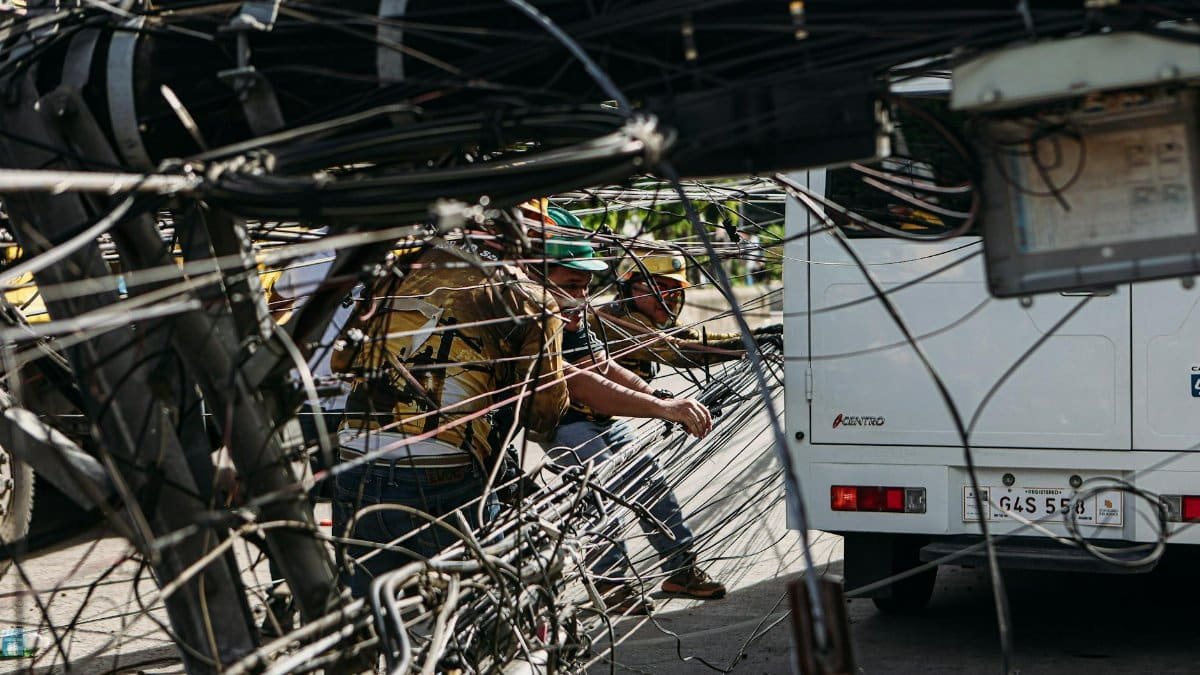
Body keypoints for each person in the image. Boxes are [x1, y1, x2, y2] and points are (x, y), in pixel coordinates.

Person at [329, 227, 569, 598]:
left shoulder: (396, 272)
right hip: (444, 474)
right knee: (473, 612)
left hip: (355, 458)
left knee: (364, 615)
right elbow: (544, 412)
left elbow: (342, 361)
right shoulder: (528, 297)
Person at [531, 206, 724, 609]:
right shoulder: (539, 316)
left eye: (585, 286)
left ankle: (681, 569)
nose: (581, 296)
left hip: (601, 418)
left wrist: (663, 401)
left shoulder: (575, 314)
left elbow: (600, 364)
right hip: (566, 423)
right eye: (571, 283)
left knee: (651, 483)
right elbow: (581, 382)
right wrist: (662, 408)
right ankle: (611, 584)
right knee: (598, 495)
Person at [597, 250, 782, 383]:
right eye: (660, 288)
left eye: (675, 291)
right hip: (577, 420)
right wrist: (750, 344)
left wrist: (756, 334)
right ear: (629, 286)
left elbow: (696, 338)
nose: (668, 299)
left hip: (605, 420)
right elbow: (681, 351)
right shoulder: (621, 321)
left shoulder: (652, 321)